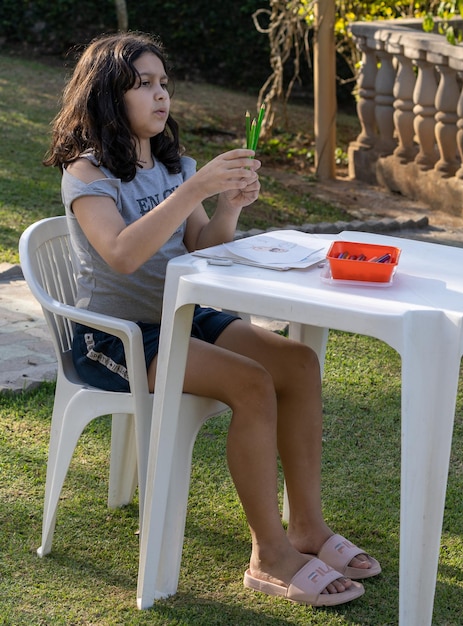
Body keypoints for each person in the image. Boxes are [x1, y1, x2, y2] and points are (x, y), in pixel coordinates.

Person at [43, 32, 380, 607]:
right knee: (250, 382)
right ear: (105, 95)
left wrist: (227, 205)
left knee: (297, 361)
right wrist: (195, 186)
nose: (160, 96)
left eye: (164, 83)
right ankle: (269, 556)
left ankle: (307, 528)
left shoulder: (169, 164)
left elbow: (201, 248)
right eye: (143, 84)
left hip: (184, 317)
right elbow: (122, 254)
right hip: (116, 339)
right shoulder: (89, 174)